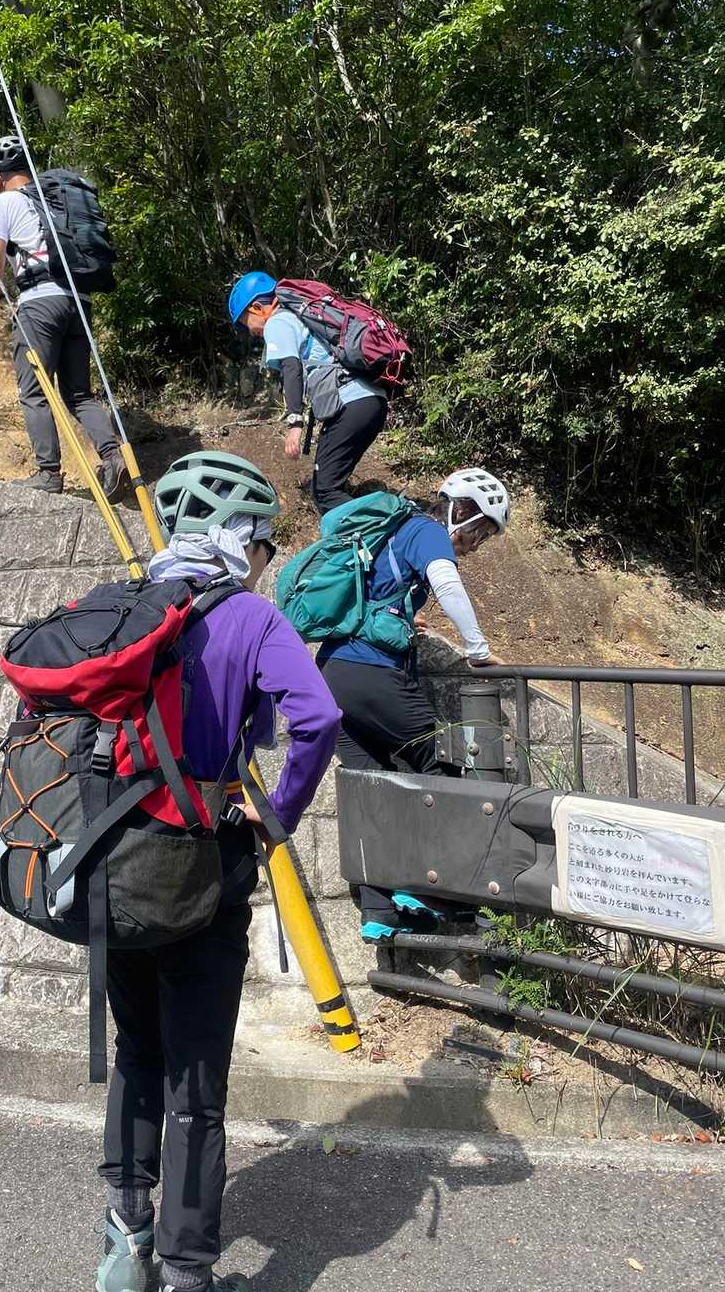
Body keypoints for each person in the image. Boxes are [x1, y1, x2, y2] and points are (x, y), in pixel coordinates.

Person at [98, 450, 340, 1292]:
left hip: (114, 865)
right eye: (265, 543)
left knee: (137, 1048)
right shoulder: (250, 616)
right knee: (195, 1082)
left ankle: (125, 1238)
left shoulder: (126, 602)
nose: (267, 560)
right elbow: (317, 717)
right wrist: (281, 811)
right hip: (204, 871)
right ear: (240, 537)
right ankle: (188, 1271)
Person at [316, 468, 509, 935]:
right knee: (441, 765)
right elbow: (448, 584)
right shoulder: (426, 530)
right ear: (460, 511)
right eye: (480, 531)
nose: (476, 544)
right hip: (371, 674)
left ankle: (379, 912)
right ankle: (437, 892)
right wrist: (478, 650)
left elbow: (377, 594)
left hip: (331, 675)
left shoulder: (395, 531)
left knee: (371, 787)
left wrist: (405, 617)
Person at [0, 134, 126, 498]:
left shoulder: (2, 203)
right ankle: (114, 457)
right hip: (79, 300)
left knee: (34, 390)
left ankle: (48, 473)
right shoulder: (53, 199)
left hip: (40, 304)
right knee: (78, 392)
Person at [228, 271, 387, 513]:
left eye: (245, 322)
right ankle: (383, 517)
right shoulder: (301, 319)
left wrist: (295, 423)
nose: (249, 331)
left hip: (351, 404)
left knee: (325, 493)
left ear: (258, 308)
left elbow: (291, 367)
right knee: (327, 487)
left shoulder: (277, 322)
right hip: (371, 400)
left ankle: (396, 523)